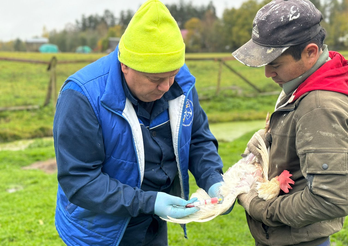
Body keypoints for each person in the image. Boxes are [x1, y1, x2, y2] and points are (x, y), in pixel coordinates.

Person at [53, 0, 225, 245]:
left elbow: (197, 138)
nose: (166, 87)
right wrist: (150, 201)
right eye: (155, 79)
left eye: (172, 74)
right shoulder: (81, 96)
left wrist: (212, 179)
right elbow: (80, 180)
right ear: (125, 65)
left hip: (154, 218)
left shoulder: (181, 82)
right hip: (99, 228)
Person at [233, 0, 348, 245]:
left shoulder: (320, 106)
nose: (268, 73)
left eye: (275, 64)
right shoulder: (302, 85)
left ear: (310, 52)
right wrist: (267, 142)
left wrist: (258, 206)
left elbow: (329, 199)